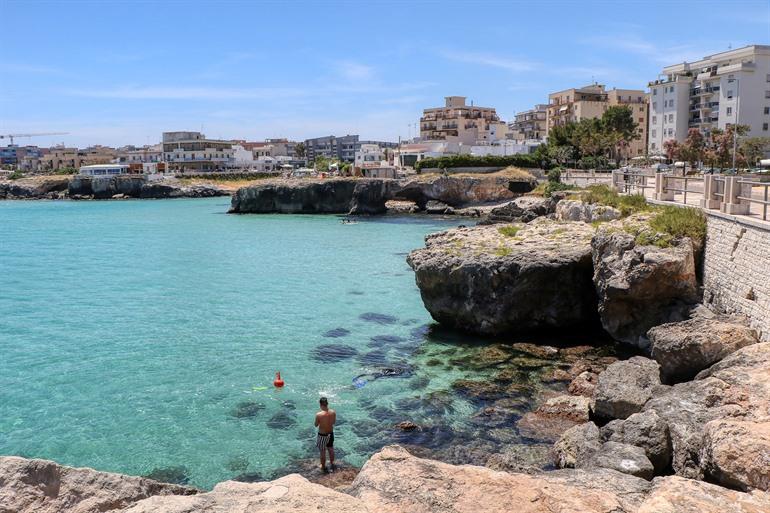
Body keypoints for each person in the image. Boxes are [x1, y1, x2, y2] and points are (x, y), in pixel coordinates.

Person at [314, 397, 336, 472]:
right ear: (327, 403)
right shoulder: (333, 412)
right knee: (330, 448)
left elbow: (316, 425)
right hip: (331, 433)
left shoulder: (319, 414)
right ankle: (332, 463)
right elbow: (333, 422)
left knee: (322, 451)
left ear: (320, 404)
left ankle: (323, 466)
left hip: (322, 435)